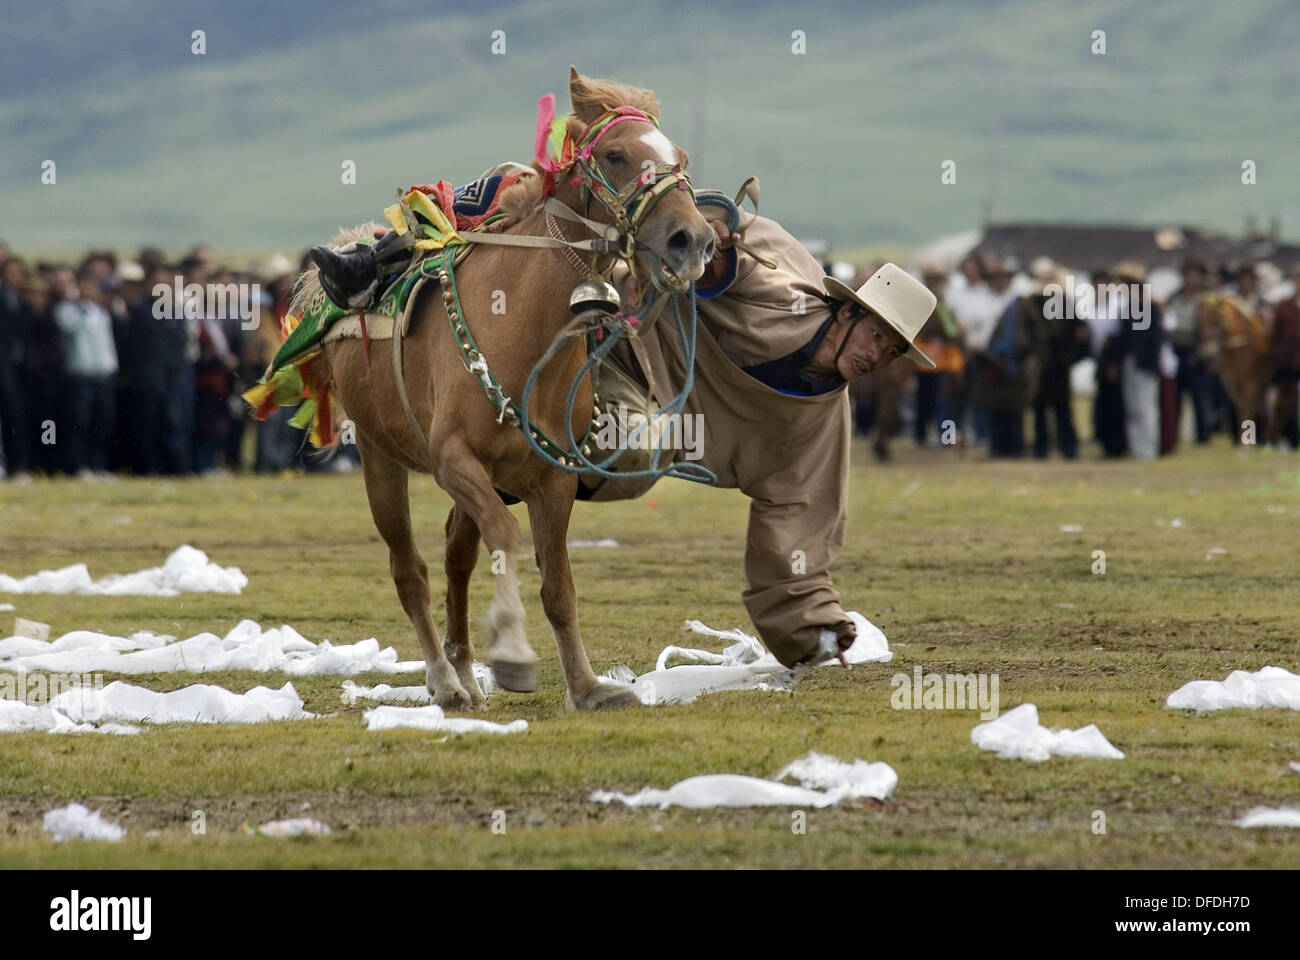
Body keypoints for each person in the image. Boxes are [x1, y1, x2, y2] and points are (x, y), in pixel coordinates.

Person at [585, 203, 937, 669]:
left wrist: (813, 626)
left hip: (660, 418)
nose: (878, 355)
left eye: (892, 351)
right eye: (876, 335)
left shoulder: (824, 420)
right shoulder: (782, 294)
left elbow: (802, 513)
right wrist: (715, 235)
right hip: (627, 348)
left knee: (633, 459)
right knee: (626, 444)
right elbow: (726, 255)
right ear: (848, 311)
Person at [54, 266, 119, 476]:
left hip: (103, 375)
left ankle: (97, 464)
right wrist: (78, 306)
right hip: (80, 375)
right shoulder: (66, 310)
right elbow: (67, 328)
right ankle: (77, 465)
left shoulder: (100, 312)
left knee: (102, 422)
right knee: (78, 422)